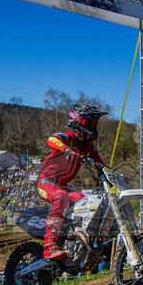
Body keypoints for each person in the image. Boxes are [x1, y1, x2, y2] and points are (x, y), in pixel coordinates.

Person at [36, 104, 107, 260]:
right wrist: (65, 149)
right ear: (78, 122)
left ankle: (75, 241)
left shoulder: (90, 146)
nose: (93, 127)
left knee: (84, 200)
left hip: (63, 185)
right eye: (90, 123)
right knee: (60, 196)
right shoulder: (68, 138)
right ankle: (49, 247)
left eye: (95, 123)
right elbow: (51, 140)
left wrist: (114, 175)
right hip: (46, 181)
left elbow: (101, 164)